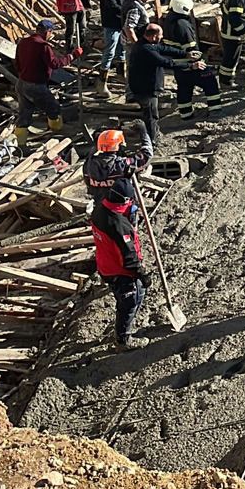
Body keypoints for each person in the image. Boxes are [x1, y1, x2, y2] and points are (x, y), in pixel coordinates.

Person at [90, 189, 147, 351]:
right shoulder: (119, 225)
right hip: (120, 271)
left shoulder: (99, 210)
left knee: (134, 295)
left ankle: (120, 329)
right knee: (130, 301)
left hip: (105, 264)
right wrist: (141, 273)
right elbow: (128, 257)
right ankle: (122, 340)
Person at [127, 23, 201, 147]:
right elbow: (166, 62)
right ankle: (151, 142)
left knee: (151, 114)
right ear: (154, 36)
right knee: (151, 115)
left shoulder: (147, 43)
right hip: (145, 88)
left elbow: (164, 49)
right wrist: (190, 66)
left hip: (145, 86)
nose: (161, 38)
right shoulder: (146, 49)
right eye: (160, 36)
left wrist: (185, 54)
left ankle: (153, 135)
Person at [160, 0, 222, 119]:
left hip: (178, 65)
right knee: (210, 82)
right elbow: (191, 48)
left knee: (184, 88)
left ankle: (186, 114)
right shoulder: (183, 24)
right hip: (190, 64)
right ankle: (215, 110)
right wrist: (198, 62)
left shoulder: (168, 20)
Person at [13, 18, 71, 146]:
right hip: (35, 85)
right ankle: (57, 134)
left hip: (21, 83)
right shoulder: (43, 46)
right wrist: (71, 57)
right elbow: (55, 64)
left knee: (24, 114)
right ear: (48, 32)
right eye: (51, 33)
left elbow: (16, 62)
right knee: (53, 108)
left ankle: (20, 144)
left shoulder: (23, 42)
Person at [83, 126, 153, 206]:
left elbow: (89, 185)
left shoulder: (88, 164)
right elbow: (147, 155)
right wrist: (144, 133)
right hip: (121, 209)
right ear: (118, 146)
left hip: (100, 208)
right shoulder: (121, 165)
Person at [97, 0, 132, 87]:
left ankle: (121, 73)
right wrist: (126, 11)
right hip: (111, 22)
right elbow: (112, 5)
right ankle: (102, 81)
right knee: (110, 50)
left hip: (123, 22)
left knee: (122, 48)